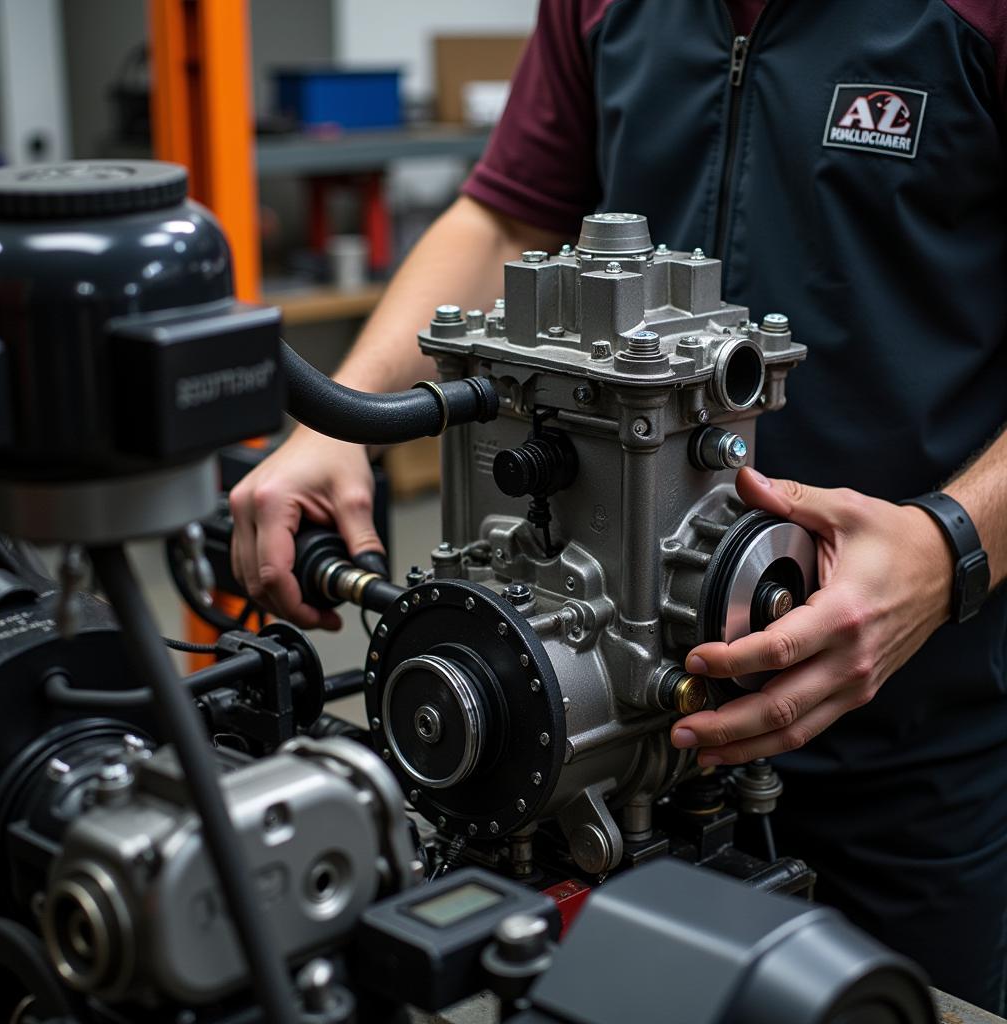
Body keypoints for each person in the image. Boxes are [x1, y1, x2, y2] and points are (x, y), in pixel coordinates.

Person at [231, 0, 1007, 1009]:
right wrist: (343, 420)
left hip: (911, 729)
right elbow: (508, 210)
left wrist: (946, 548)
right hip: (607, 731)